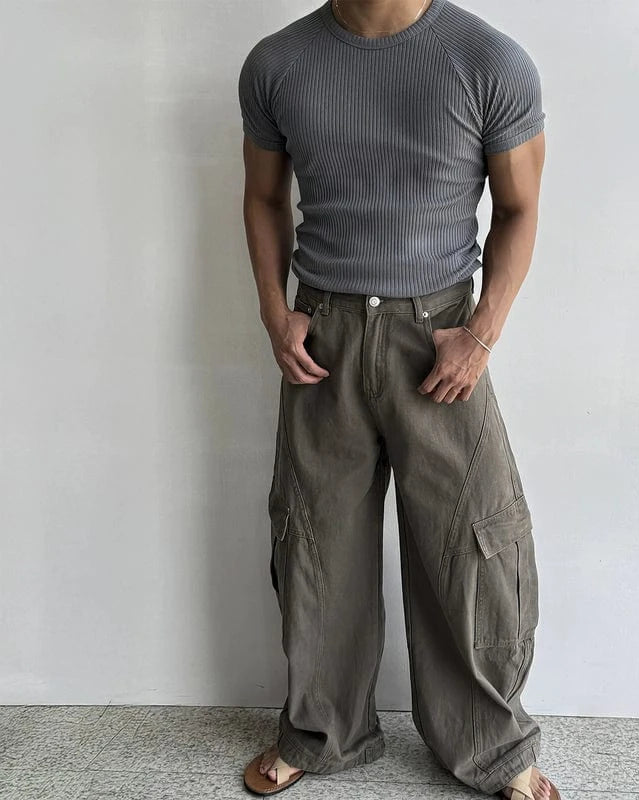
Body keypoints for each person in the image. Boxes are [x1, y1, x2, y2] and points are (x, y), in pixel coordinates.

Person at [237, 1, 557, 798]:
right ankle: (321, 732)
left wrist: (480, 334)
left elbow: (519, 209)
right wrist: (276, 313)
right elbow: (264, 197)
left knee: (474, 547)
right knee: (316, 543)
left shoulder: (488, 61)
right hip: (324, 335)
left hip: (439, 335)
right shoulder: (278, 63)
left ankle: (493, 747)